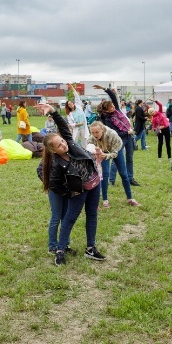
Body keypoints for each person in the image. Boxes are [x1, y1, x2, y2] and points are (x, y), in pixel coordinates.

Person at [37, 102, 105, 265]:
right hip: (79, 190)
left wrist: (53, 111)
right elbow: (54, 185)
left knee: (92, 215)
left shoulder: (71, 144)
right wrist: (70, 193)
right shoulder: (57, 163)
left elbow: (62, 125)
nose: (64, 144)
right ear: (53, 151)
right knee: (69, 218)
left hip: (94, 183)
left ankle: (91, 248)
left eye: (62, 141)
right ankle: (60, 250)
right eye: (59, 145)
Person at [93, 85, 140, 186]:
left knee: (130, 158)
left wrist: (104, 88)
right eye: (111, 107)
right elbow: (115, 133)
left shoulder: (117, 110)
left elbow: (113, 97)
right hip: (120, 139)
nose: (114, 107)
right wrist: (127, 132)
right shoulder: (107, 119)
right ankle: (112, 179)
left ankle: (130, 178)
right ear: (106, 111)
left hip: (129, 137)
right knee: (116, 158)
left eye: (113, 106)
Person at [88, 121, 140, 207]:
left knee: (123, 173)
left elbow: (115, 154)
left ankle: (130, 198)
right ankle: (105, 200)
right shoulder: (92, 138)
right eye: (92, 132)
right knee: (105, 174)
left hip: (116, 150)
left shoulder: (112, 134)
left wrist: (107, 155)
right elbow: (88, 148)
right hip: (102, 152)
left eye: (97, 132)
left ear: (102, 130)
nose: (95, 134)